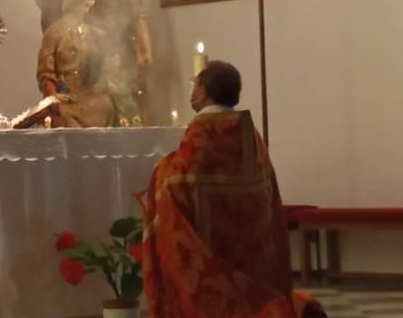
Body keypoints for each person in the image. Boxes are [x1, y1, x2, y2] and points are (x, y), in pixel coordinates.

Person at [139, 61, 326, 317]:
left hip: (214, 245)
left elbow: (175, 182)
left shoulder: (203, 132)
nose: (192, 91)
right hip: (252, 246)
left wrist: (161, 167)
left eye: (195, 85)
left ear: (203, 92)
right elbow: (268, 188)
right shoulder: (250, 134)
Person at [36, 0, 152, 124]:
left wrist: (145, 51)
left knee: (114, 103)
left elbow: (136, 15)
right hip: (72, 54)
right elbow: (53, 7)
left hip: (112, 46)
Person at [36, 0, 113, 127]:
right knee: (66, 119)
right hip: (63, 96)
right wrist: (52, 97)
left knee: (105, 105)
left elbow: (104, 62)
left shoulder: (92, 33)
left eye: (90, 5)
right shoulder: (54, 33)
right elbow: (45, 73)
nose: (88, 9)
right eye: (85, 4)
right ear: (74, 3)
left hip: (87, 96)